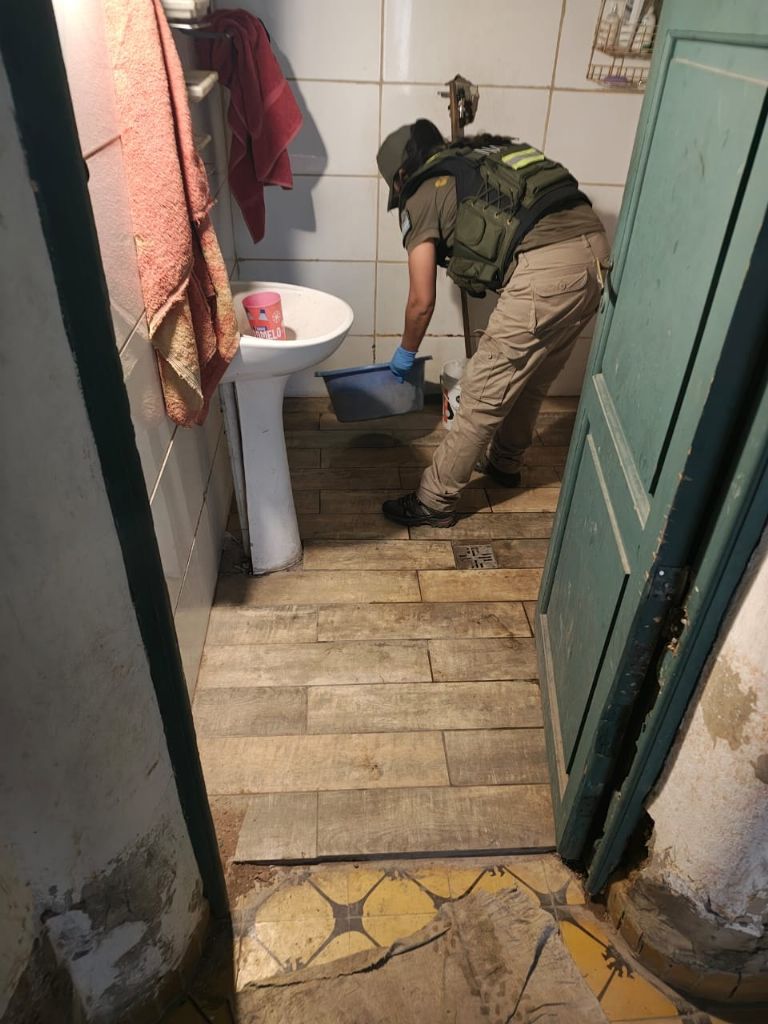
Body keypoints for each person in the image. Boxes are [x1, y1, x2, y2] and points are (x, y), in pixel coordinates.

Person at [376, 119, 610, 527]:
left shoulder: (422, 192)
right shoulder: (480, 157)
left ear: (401, 176)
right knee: (532, 379)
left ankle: (433, 501)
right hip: (597, 257)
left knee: (480, 395)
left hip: (550, 269)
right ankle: (505, 462)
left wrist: (404, 354)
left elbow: (420, 301)